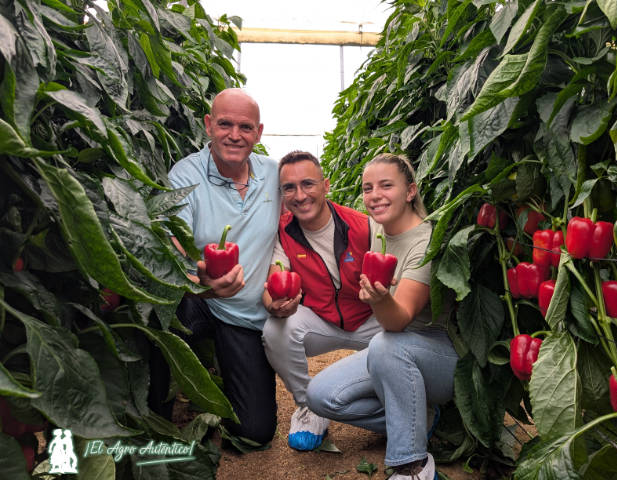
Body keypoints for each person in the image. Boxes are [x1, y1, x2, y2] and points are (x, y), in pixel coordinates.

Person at [306, 153, 458, 480]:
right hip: (396, 350)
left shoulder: (426, 242)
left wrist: (380, 299)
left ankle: (413, 465)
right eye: (368, 188)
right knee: (320, 396)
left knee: (385, 343)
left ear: (410, 191)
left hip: (441, 355)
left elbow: (398, 321)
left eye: (386, 186)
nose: (375, 195)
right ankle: (422, 419)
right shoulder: (378, 231)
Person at [151, 88, 281, 446]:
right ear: (209, 125)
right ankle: (157, 412)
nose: (235, 135)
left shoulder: (274, 174)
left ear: (259, 133)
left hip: (246, 315)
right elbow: (174, 247)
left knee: (255, 431)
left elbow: (303, 218)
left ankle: (224, 380)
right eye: (225, 124)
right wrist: (201, 281)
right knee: (161, 313)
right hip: (197, 300)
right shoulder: (186, 175)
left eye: (245, 127)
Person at [261, 151, 382, 451]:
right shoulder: (283, 231)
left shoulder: (363, 227)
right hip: (322, 321)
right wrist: (273, 303)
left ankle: (395, 399)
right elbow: (275, 275)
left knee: (404, 340)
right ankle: (309, 406)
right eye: (289, 188)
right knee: (276, 329)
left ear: (325, 185)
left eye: (308, 184)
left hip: (370, 320)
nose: (300, 195)